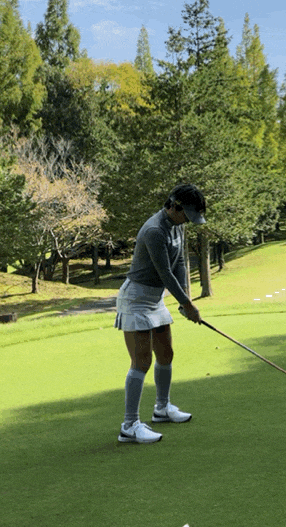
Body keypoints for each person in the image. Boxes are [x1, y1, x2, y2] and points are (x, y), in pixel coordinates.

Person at [115, 184, 206, 443]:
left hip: (155, 299)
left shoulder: (177, 226)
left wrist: (185, 299)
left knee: (166, 354)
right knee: (141, 362)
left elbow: (179, 262)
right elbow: (164, 272)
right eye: (187, 215)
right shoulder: (154, 230)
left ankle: (162, 409)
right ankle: (129, 426)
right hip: (136, 299)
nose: (188, 221)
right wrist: (187, 305)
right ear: (174, 206)